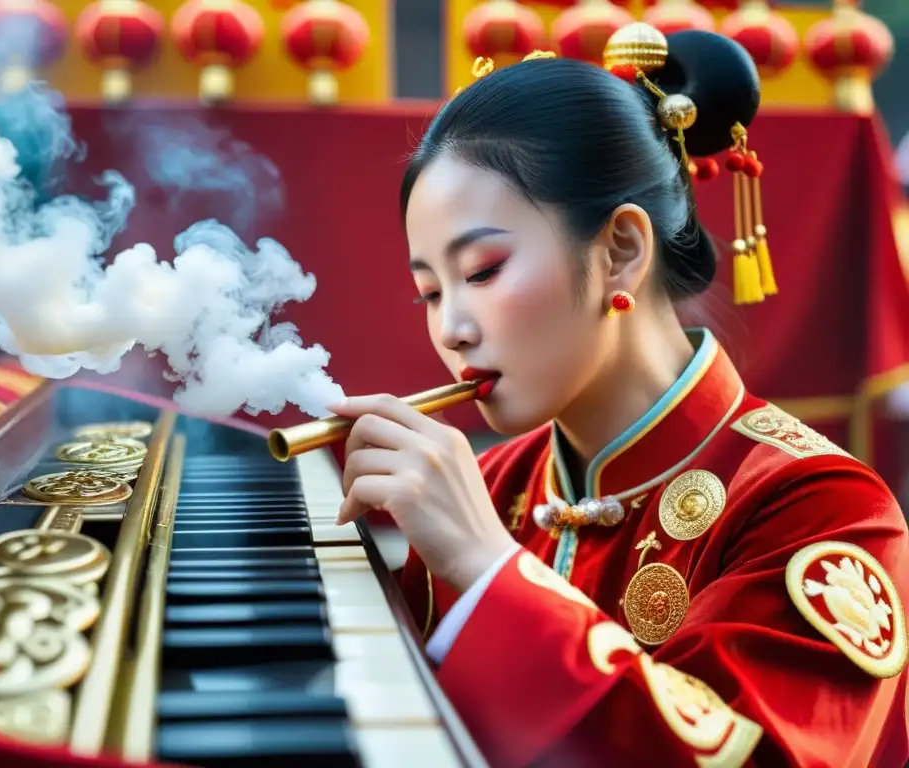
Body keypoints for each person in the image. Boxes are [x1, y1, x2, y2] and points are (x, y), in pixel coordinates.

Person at [327, 24, 909, 768]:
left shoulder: (821, 508)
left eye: (481, 272)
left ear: (621, 251)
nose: (453, 330)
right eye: (429, 294)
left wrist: (487, 569)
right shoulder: (497, 481)